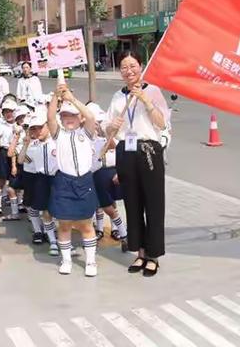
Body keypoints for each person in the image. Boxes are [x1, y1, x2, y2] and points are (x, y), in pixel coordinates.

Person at [104, 51, 169, 277]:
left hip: (149, 150)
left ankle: (153, 256)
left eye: (133, 65)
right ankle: (140, 253)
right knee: (132, 204)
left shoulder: (153, 91)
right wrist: (113, 125)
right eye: (124, 67)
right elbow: (107, 129)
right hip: (125, 152)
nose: (129, 70)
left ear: (141, 67)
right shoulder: (117, 97)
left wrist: (146, 101)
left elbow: (161, 123)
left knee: (153, 204)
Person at [47, 84, 98, 277]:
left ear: (80, 118)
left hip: (84, 182)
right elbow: (50, 117)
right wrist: (56, 96)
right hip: (64, 182)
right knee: (65, 224)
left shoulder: (86, 133)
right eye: (65, 116)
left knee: (86, 225)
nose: (69, 119)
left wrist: (72, 99)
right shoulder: (58, 134)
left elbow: (91, 117)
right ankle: (66, 260)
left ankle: (91, 261)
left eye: (73, 116)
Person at [87, 102, 128, 252]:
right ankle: (95, 233)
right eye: (94, 122)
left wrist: (120, 171)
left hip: (106, 173)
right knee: (93, 207)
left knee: (109, 206)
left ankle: (121, 232)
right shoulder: (83, 137)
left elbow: (119, 151)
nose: (96, 125)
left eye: (98, 122)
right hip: (89, 174)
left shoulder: (106, 136)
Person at [18, 114, 59, 254]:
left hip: (58, 179)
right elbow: (21, 160)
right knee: (45, 211)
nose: (37, 132)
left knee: (61, 211)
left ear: (47, 126)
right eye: (33, 129)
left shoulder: (58, 141)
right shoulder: (34, 145)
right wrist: (25, 143)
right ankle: (52, 240)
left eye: (40, 128)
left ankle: (64, 240)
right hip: (41, 179)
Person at [0, 98, 18, 218]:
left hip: (17, 153)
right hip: (4, 153)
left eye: (11, 111)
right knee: (1, 181)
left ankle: (16, 209)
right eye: (6, 111)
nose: (8, 114)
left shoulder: (20, 124)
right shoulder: (1, 124)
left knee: (15, 182)